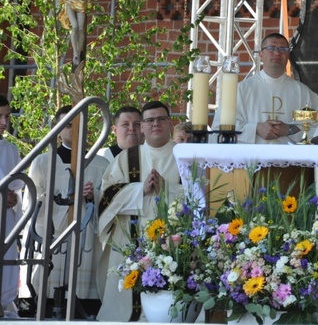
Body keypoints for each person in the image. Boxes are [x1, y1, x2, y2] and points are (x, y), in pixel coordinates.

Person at [97, 100, 182, 322]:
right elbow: (106, 195)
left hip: (175, 239)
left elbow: (201, 196)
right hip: (131, 236)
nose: (156, 124)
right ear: (142, 127)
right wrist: (139, 190)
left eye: (161, 119)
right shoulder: (126, 158)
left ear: (170, 123)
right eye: (150, 120)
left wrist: (168, 190)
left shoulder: (184, 156)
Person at [27, 105, 108, 317]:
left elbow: (109, 205)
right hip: (53, 237)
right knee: (49, 301)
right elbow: (33, 202)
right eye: (68, 125)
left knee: (84, 302)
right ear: (58, 128)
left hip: (87, 240)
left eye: (79, 125)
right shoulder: (43, 162)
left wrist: (92, 196)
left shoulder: (101, 163)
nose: (74, 129)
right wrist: (66, 195)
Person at [212, 34, 318, 144]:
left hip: (290, 160)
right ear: (261, 54)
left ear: (288, 55)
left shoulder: (303, 93)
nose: (277, 53)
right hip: (250, 160)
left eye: (283, 49)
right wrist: (256, 128)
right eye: (271, 48)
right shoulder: (242, 90)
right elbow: (221, 128)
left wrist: (289, 129)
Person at [0, 95, 21, 318]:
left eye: (7, 116)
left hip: (5, 219)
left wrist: (13, 198)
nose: (4, 122)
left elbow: (17, 186)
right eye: (0, 116)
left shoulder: (11, 149)